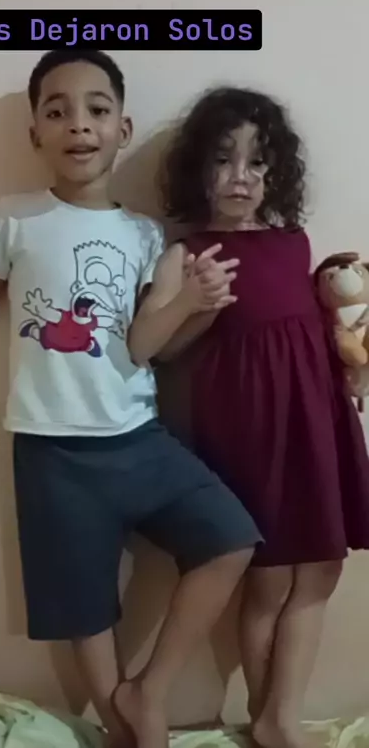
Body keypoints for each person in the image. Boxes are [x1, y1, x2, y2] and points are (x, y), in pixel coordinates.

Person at [0, 53, 261, 748]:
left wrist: (199, 305)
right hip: (51, 449)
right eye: (57, 111)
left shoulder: (147, 234)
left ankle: (146, 692)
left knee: (231, 538)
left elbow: (155, 346)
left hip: (139, 437)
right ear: (35, 132)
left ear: (123, 129)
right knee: (85, 606)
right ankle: (125, 728)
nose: (78, 125)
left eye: (96, 110)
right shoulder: (15, 217)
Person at [129, 86, 369, 748]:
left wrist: (350, 364)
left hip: (315, 417)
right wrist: (195, 303)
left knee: (322, 569)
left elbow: (312, 330)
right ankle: (271, 720)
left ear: (276, 171)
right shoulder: (188, 254)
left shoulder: (294, 243)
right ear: (197, 168)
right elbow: (154, 349)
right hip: (252, 427)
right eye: (223, 159)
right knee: (268, 579)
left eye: (257, 161)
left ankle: (278, 716)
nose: (241, 176)